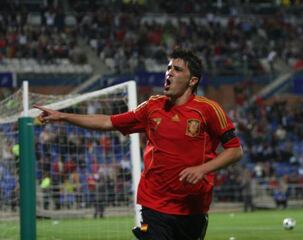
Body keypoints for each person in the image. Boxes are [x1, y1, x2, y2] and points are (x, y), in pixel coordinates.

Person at [34, 48, 243, 240]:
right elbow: (108, 121)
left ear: (192, 81)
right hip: (154, 204)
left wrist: (202, 169)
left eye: (177, 69)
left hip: (193, 207)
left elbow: (235, 150)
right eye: (168, 68)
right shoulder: (152, 107)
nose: (169, 73)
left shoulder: (209, 110)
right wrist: (64, 116)